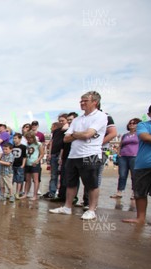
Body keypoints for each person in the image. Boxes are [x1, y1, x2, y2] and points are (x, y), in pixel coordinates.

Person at [50, 91, 107, 220]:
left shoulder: (101, 116)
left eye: (85, 100)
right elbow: (66, 139)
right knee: (70, 183)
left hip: (91, 153)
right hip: (73, 155)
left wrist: (75, 134)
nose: (82, 103)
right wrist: (79, 134)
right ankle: (67, 207)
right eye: (81, 101)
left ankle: (91, 209)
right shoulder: (77, 119)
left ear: (95, 102)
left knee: (91, 184)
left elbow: (88, 134)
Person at [123, 100, 151, 227]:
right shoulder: (143, 125)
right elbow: (145, 137)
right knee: (139, 192)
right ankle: (140, 218)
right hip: (142, 164)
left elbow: (149, 138)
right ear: (149, 114)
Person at [111, 118, 141, 199]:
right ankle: (119, 192)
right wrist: (118, 153)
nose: (131, 124)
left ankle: (135, 192)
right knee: (122, 175)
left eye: (134, 123)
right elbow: (120, 145)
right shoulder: (125, 135)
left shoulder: (140, 134)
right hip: (123, 156)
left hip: (134, 156)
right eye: (130, 123)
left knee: (134, 175)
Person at [44, 114, 69, 199]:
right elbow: (52, 142)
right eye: (60, 121)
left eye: (63, 120)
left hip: (62, 154)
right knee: (53, 175)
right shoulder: (56, 131)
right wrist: (49, 154)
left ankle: (62, 194)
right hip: (54, 154)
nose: (61, 122)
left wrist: (61, 157)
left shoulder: (68, 130)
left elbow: (64, 144)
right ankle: (52, 192)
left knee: (63, 176)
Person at [22, 132, 43, 200]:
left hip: (35, 164)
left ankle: (35, 195)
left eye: (30, 138)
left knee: (35, 180)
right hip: (28, 164)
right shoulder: (26, 145)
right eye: (27, 138)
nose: (29, 139)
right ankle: (25, 193)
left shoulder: (38, 144)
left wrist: (37, 161)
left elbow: (42, 154)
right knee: (27, 180)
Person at [12, 133, 27, 199]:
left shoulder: (23, 147)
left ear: (20, 139)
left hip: (19, 165)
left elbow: (24, 157)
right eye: (13, 138)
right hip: (12, 165)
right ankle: (11, 193)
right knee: (11, 179)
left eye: (16, 138)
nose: (14, 140)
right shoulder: (12, 146)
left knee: (19, 180)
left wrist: (23, 164)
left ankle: (17, 193)